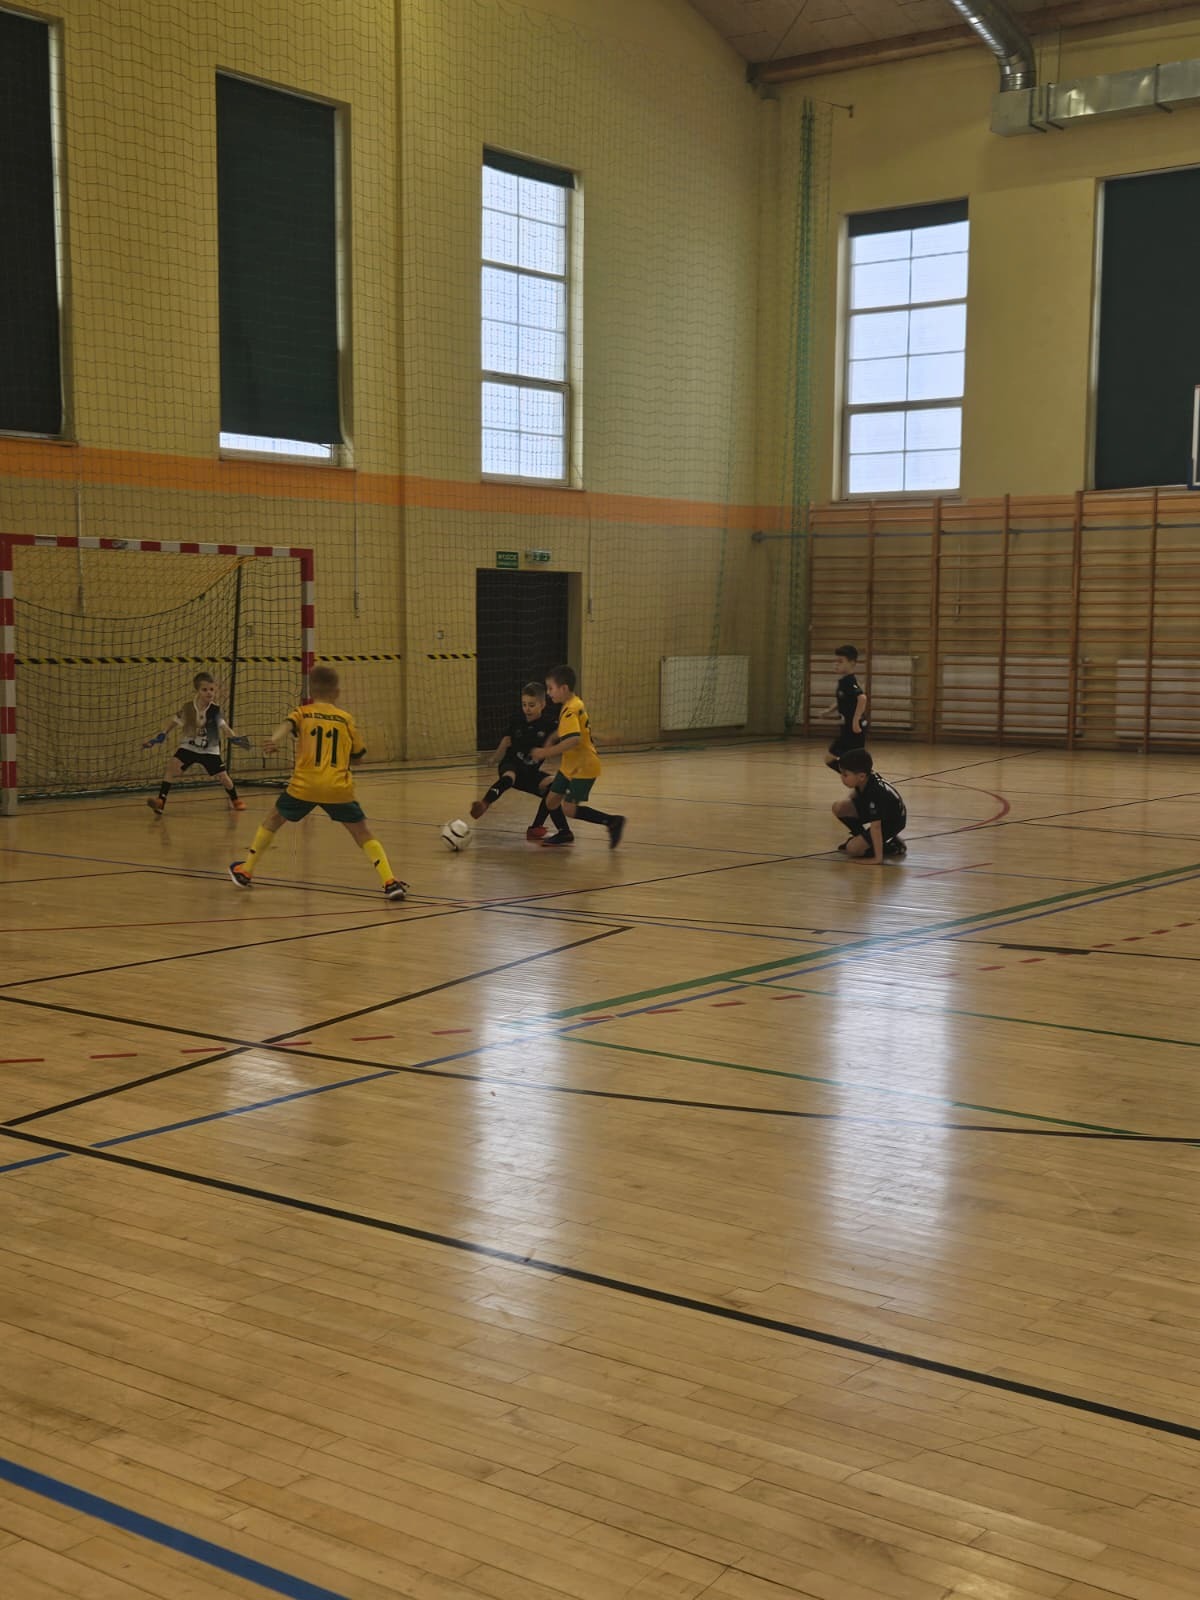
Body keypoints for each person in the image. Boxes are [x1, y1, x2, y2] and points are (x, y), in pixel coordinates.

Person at [228, 665, 406, 900]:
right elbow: (359, 757)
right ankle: (390, 881)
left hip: (305, 786)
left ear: (310, 691)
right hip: (337, 788)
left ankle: (247, 870)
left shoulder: (303, 713)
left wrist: (273, 740)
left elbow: (287, 724)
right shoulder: (346, 719)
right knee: (362, 832)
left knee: (274, 819)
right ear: (337, 692)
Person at [533, 665, 625, 849]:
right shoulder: (575, 703)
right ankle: (564, 833)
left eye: (551, 688)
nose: (548, 693)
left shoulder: (570, 710)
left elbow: (573, 739)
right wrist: (553, 737)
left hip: (584, 766)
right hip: (570, 765)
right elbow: (573, 730)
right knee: (551, 800)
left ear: (564, 688)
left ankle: (612, 821)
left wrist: (545, 752)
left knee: (569, 808)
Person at [469, 681, 569, 840]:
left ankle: (536, 828)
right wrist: (494, 758)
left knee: (554, 789)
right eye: (524, 705)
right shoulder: (516, 719)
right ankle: (484, 803)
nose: (527, 709)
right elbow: (506, 740)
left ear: (542, 704)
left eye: (531, 705)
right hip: (511, 764)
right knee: (509, 777)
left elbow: (568, 737)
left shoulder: (550, 724)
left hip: (529, 772)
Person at [143, 672, 248, 814]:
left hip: (209, 749)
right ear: (197, 691)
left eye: (212, 689)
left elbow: (225, 727)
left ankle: (235, 799)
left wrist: (234, 737)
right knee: (172, 767)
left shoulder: (215, 710)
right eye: (204, 690)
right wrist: (161, 735)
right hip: (189, 746)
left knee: (223, 777)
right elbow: (173, 722)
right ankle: (161, 801)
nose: (209, 693)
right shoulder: (188, 708)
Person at [832, 748, 907, 864]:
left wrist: (877, 859)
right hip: (879, 812)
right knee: (839, 807)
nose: (841, 777)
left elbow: (876, 827)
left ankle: (893, 846)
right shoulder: (864, 778)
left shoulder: (875, 792)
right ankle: (862, 839)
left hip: (891, 822)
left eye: (845, 775)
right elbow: (853, 799)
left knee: (853, 849)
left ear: (861, 776)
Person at [822, 645, 868, 771]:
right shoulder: (844, 681)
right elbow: (842, 700)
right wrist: (829, 711)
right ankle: (856, 778)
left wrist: (855, 721)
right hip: (847, 729)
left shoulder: (849, 681)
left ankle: (863, 779)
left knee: (835, 759)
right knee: (848, 763)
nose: (836, 664)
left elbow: (862, 698)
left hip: (853, 730)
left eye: (840, 661)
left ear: (852, 663)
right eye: (836, 661)